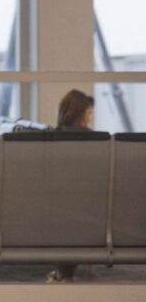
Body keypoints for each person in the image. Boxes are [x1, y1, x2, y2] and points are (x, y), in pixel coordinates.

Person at [44, 89, 95, 283]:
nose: (90, 119)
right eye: (89, 113)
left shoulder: (49, 139)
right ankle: (64, 274)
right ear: (80, 114)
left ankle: (62, 274)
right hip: (88, 208)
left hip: (53, 206)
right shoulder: (98, 141)